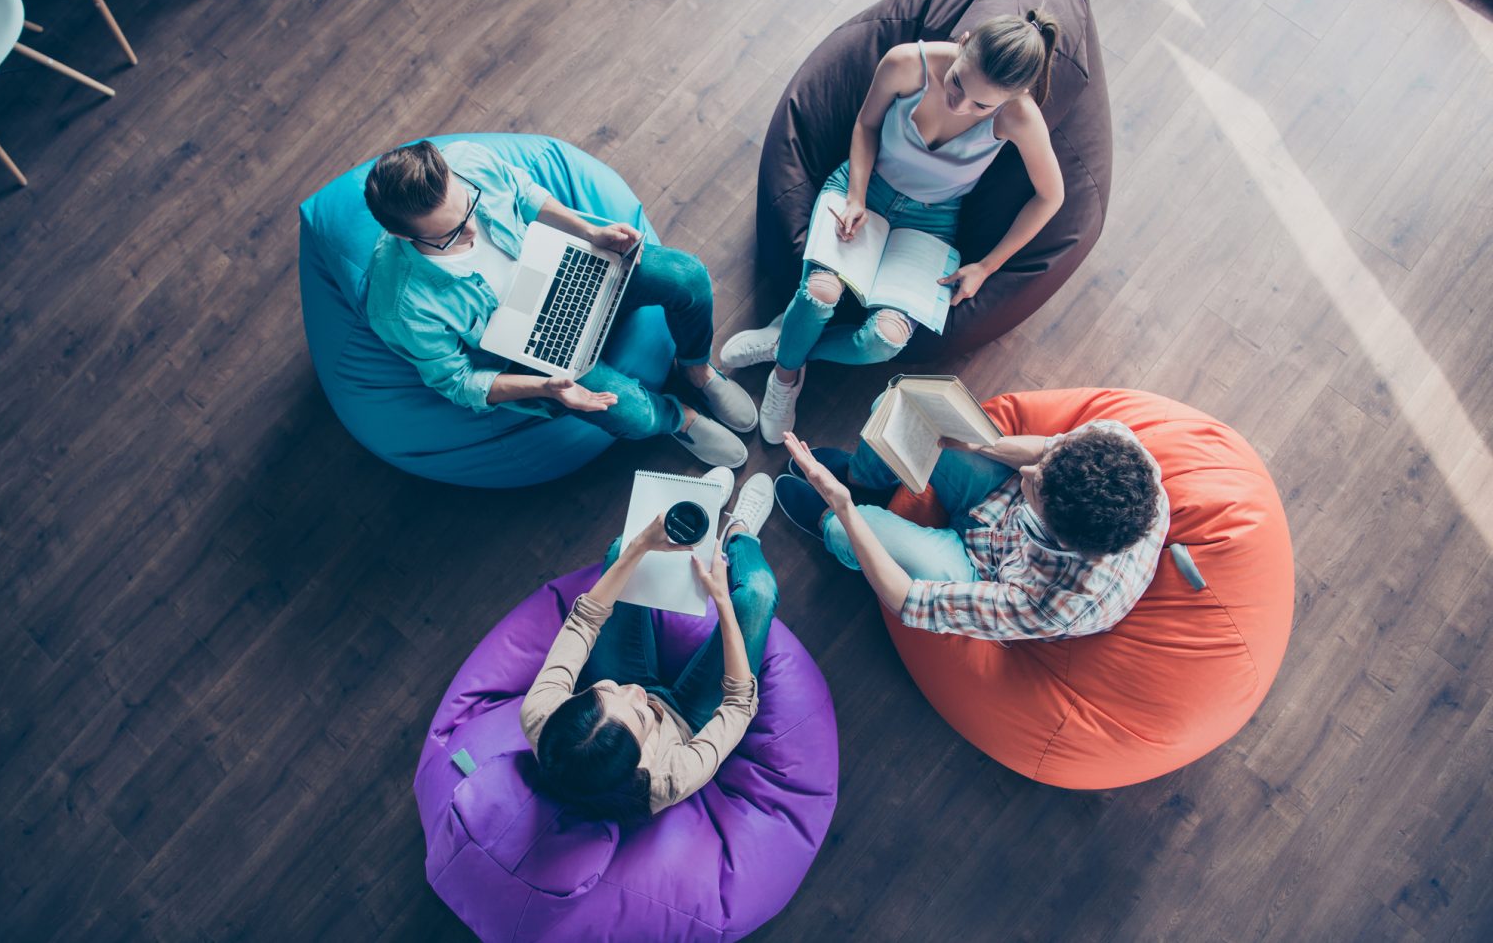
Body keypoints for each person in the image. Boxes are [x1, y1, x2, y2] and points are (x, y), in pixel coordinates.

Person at [722, 12, 1068, 443]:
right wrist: (856, 198)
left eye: (982, 106)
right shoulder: (906, 63)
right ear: (962, 43)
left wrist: (987, 266)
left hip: (933, 219)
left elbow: (1051, 197)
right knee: (818, 294)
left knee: (884, 341)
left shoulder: (1020, 117)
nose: (959, 105)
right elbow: (866, 125)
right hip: (864, 185)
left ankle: (787, 341)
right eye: (957, 82)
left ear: (1014, 98)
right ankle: (786, 375)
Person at [363, 139, 756, 468]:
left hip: (563, 264)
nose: (471, 229)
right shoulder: (400, 307)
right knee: (632, 417)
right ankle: (679, 418)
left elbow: (524, 192)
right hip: (528, 348)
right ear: (400, 235)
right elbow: (460, 382)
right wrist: (546, 387)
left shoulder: (467, 159)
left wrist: (591, 231)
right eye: (449, 235)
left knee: (686, 276)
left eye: (469, 206)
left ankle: (696, 370)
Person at [773, 410, 1168, 641]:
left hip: (981, 570)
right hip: (996, 500)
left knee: (849, 529)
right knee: (901, 415)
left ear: (1057, 534)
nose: (1027, 470)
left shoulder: (1055, 605)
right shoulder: (1122, 453)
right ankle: (862, 476)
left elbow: (908, 601)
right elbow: (1047, 451)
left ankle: (831, 516)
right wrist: (976, 445)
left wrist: (843, 507)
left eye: (1035, 484)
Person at [520, 470, 778, 821]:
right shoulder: (666, 780)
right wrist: (722, 601)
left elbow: (584, 621)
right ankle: (740, 534)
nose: (634, 693)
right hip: (688, 717)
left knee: (619, 550)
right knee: (757, 595)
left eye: (605, 693)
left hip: (623, 666)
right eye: (639, 716)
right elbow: (738, 705)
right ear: (638, 761)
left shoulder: (541, 715)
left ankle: (693, 525)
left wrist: (641, 544)